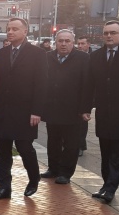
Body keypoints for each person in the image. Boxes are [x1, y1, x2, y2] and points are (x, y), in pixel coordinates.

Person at [0, 17, 48, 199]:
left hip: (26, 112)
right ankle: (4, 187)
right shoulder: (1, 53)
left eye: (15, 29)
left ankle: (33, 178)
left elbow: (41, 84)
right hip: (4, 111)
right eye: (8, 28)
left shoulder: (37, 54)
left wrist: (37, 111)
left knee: (25, 148)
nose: (10, 32)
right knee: (3, 150)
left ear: (25, 31)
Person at [82, 20, 119, 203]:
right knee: (105, 151)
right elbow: (89, 85)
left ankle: (110, 188)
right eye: (106, 33)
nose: (109, 36)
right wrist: (85, 108)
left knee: (118, 153)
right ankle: (106, 184)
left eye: (113, 33)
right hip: (104, 114)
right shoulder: (96, 56)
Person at [41, 29, 89, 184]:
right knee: (53, 141)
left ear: (73, 43)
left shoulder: (83, 58)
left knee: (71, 144)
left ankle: (65, 173)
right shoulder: (47, 57)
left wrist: (85, 109)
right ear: (55, 42)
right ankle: (53, 168)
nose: (63, 44)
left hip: (73, 111)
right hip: (52, 108)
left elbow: (88, 85)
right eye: (60, 41)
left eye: (67, 41)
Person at [76, 36, 92, 156]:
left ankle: (81, 145)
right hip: (74, 94)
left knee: (82, 121)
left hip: (86, 94)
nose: (80, 46)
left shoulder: (93, 57)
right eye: (78, 44)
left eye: (83, 44)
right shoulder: (75, 56)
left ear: (88, 44)